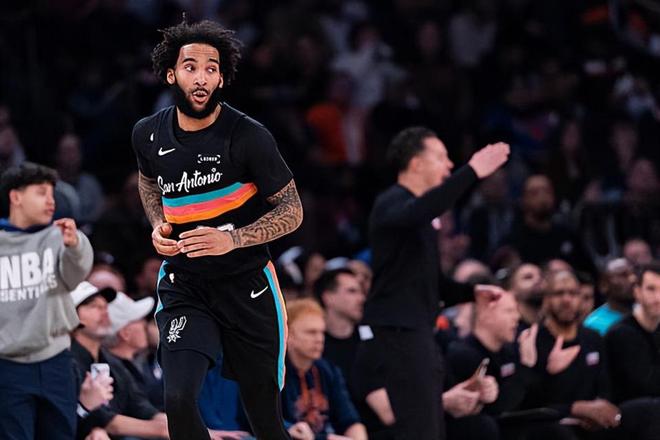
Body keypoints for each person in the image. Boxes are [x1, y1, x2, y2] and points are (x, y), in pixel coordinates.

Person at [132, 19, 303, 440]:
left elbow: (292, 209)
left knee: (265, 420)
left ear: (222, 79)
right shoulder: (147, 134)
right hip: (185, 284)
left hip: (248, 285)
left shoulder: (248, 136)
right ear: (171, 74)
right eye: (190, 67)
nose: (201, 77)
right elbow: (148, 182)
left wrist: (232, 239)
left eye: (211, 69)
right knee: (178, 399)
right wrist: (158, 223)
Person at [352, 126, 510, 439]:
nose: (449, 165)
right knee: (420, 429)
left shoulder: (421, 217)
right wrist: (472, 171)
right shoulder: (392, 202)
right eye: (441, 157)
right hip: (399, 332)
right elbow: (421, 209)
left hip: (418, 331)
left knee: (432, 429)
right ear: (416, 163)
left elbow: (432, 283)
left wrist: (471, 292)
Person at [0, 162, 94, 440]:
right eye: (41, 192)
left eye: (52, 193)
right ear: (16, 197)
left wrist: (75, 245)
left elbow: (75, 278)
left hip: (56, 360)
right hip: (7, 364)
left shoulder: (60, 236)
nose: (51, 200)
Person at [70, 281, 169, 440]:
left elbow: (140, 405)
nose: (104, 311)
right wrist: (165, 431)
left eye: (104, 306)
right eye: (94, 306)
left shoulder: (111, 361)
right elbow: (105, 420)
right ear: (72, 315)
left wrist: (176, 425)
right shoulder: (67, 361)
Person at [282, 298, 367, 440]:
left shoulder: (328, 371)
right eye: (311, 332)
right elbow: (267, 421)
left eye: (322, 332)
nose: (319, 339)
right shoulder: (275, 373)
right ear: (289, 335)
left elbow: (350, 421)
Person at [605, 262, 660, 402]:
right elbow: (646, 386)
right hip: (629, 408)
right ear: (637, 292)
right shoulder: (620, 333)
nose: (658, 298)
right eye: (651, 289)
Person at [583, 258, 636, 336]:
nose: (633, 279)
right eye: (623, 275)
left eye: (634, 274)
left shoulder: (648, 313)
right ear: (604, 285)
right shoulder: (593, 325)